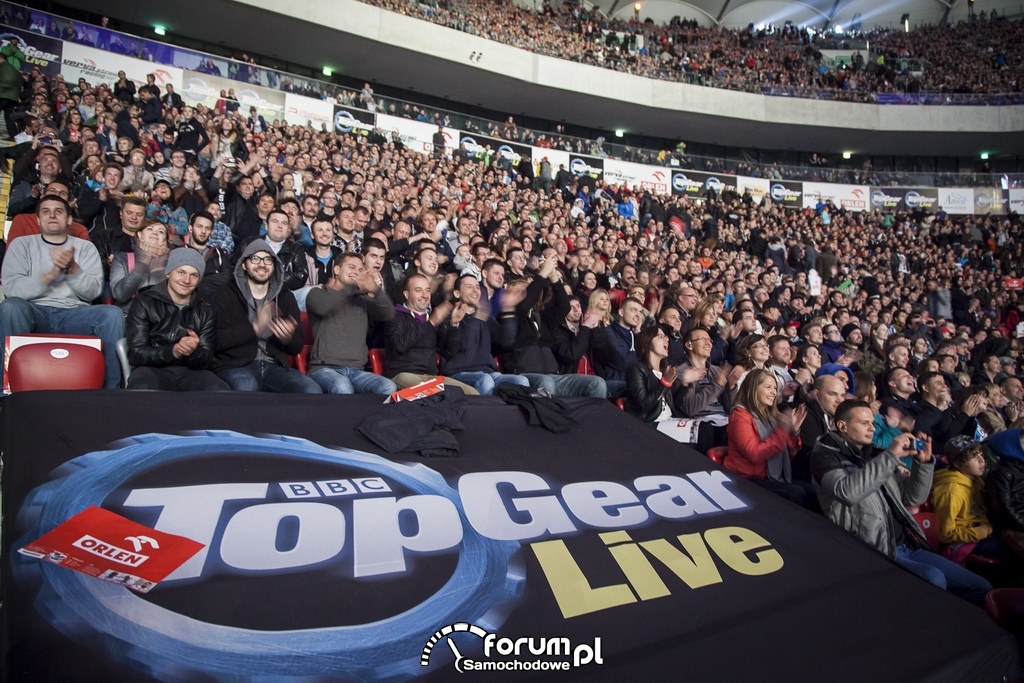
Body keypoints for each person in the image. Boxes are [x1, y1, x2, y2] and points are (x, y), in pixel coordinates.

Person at [812, 400, 992, 604]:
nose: (872, 428)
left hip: (907, 543)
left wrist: (923, 464)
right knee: (933, 578)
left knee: (982, 587)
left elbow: (911, 497)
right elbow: (847, 492)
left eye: (872, 422)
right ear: (842, 426)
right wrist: (891, 456)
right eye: (864, 423)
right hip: (872, 547)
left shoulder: (875, 453)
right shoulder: (825, 455)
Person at [0, 196, 123, 388]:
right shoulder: (21, 245)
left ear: (69, 220)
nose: (52, 216)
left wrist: (73, 268)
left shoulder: (85, 247)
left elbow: (92, 292)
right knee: (10, 307)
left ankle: (111, 391)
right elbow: (12, 289)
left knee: (112, 314)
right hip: (34, 311)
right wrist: (50, 275)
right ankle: (7, 389)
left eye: (58, 211)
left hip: (74, 314)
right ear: (38, 220)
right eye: (46, 211)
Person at [208, 239, 321, 393]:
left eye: (268, 259)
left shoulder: (285, 297)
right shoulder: (224, 295)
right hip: (236, 366)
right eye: (255, 258)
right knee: (246, 385)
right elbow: (215, 342)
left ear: (274, 266)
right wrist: (254, 327)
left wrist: (287, 338)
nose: (262, 264)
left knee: (311, 389)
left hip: (274, 366)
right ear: (243, 265)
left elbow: (296, 347)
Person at [124, 249, 228, 391]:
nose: (186, 280)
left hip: (190, 372)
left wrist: (195, 350)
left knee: (219, 389)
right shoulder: (144, 302)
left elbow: (208, 361)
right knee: (143, 387)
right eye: (181, 272)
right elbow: (136, 354)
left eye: (194, 275)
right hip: (151, 369)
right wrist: (173, 351)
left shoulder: (205, 310)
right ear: (168, 272)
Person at [726, 369, 819, 510]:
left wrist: (793, 432)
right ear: (753, 388)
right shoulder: (740, 416)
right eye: (768, 387)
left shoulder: (772, 416)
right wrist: (782, 431)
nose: (773, 392)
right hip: (746, 479)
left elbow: (789, 453)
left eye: (775, 388)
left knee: (813, 492)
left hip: (772, 477)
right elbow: (755, 455)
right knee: (796, 494)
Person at [305, 253, 397, 395]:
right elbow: (323, 307)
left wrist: (375, 290)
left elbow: (388, 314)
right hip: (324, 369)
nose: (356, 273)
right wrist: (350, 288)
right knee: (343, 387)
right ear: (336, 270)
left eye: (360, 270)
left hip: (357, 371)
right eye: (352, 267)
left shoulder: (361, 300)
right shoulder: (318, 293)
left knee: (388, 386)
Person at [384, 274, 479, 394]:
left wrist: (454, 325)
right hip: (402, 374)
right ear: (406, 294)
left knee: (473, 394)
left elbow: (450, 352)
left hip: (431, 377)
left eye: (427, 290)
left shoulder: (433, 317)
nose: (424, 295)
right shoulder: (394, 315)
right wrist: (431, 323)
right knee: (433, 392)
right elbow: (400, 345)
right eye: (418, 290)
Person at [438, 274, 528, 395]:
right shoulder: (447, 318)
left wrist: (508, 308)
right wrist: (454, 324)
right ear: (457, 294)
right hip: (458, 373)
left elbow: (506, 341)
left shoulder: (485, 317)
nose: (475, 290)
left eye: (477, 287)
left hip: (488, 373)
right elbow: (451, 350)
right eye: (469, 287)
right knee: (485, 381)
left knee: (521, 380)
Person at [932, 435, 1006, 564]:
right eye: (973, 457)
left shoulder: (976, 481)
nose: (981, 460)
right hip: (968, 539)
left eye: (981, 454)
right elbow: (944, 533)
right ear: (957, 463)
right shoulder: (950, 491)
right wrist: (980, 532)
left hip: (984, 529)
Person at [109, 220, 170, 309]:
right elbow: (120, 295)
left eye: (161, 231)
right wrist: (143, 263)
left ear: (165, 240)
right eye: (150, 229)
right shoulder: (122, 258)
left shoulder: (171, 261)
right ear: (139, 234)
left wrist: (160, 266)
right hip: (129, 314)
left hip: (161, 315)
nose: (155, 233)